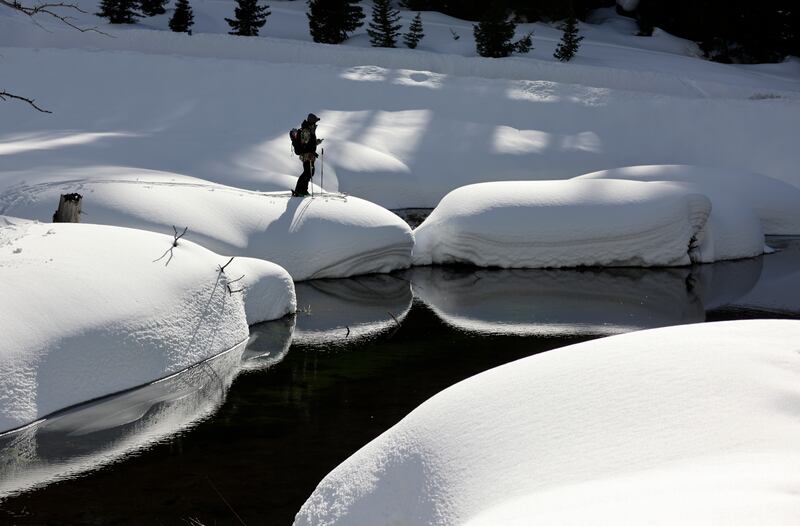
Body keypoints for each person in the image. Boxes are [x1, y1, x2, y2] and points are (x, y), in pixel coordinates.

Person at [292, 113, 323, 197]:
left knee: (309, 172)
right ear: (311, 121)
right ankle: (300, 190)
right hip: (307, 155)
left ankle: (302, 190)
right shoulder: (306, 130)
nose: (315, 123)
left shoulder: (309, 130)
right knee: (308, 172)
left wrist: (317, 142)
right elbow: (305, 144)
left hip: (309, 154)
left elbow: (309, 143)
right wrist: (309, 152)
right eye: (315, 121)